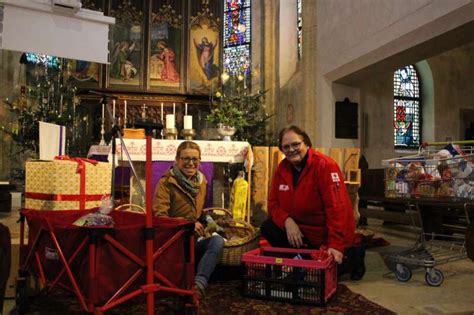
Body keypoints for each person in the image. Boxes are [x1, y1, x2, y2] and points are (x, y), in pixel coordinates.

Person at [261, 126, 364, 279]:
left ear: (306, 143)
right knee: (268, 227)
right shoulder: (281, 169)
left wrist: (335, 245)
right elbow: (273, 204)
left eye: (296, 144)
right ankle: (301, 261)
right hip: (299, 233)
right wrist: (287, 221)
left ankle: (353, 256)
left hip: (323, 235)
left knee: (327, 273)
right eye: (286, 147)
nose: (291, 149)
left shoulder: (325, 166)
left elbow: (337, 209)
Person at [153, 141, 224, 299]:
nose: (190, 163)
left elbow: (197, 213)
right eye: (186, 159)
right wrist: (187, 225)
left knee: (218, 241)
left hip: (193, 237)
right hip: (173, 239)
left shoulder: (201, 181)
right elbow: (160, 217)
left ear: (199, 160)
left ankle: (199, 283)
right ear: (177, 159)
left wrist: (210, 220)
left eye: (195, 159)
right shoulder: (166, 183)